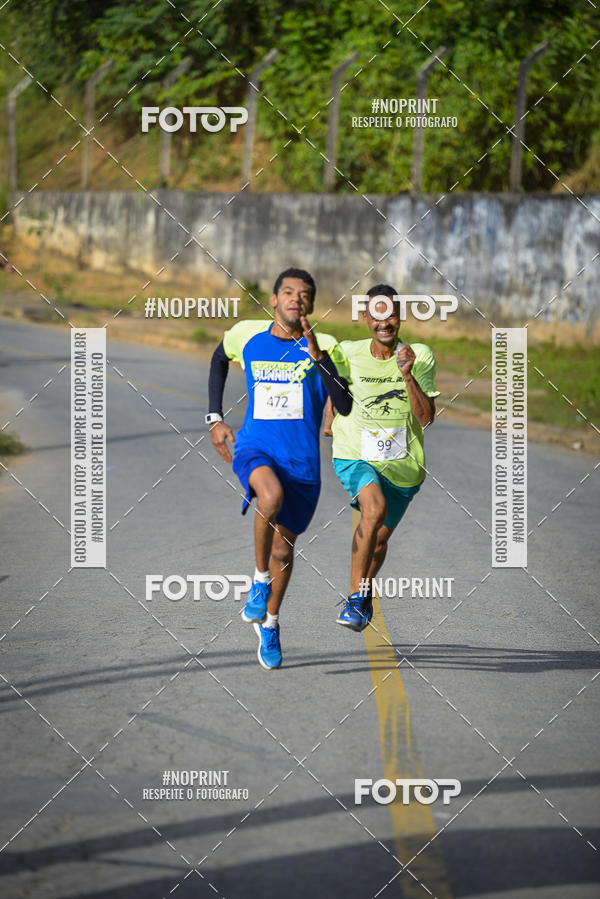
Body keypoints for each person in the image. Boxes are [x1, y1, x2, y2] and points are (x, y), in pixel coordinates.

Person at [207, 268, 352, 668]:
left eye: (305, 295)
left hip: (302, 461)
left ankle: (270, 623)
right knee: (268, 497)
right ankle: (258, 582)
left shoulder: (328, 347)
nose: (296, 299)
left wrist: (319, 358)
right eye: (288, 292)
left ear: (312, 305)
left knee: (283, 550)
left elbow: (344, 405)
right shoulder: (247, 335)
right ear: (273, 300)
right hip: (256, 448)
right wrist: (214, 418)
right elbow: (220, 358)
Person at [325, 283, 439, 631]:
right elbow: (336, 386)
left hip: (403, 467)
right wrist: (328, 418)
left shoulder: (419, 355)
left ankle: (363, 590)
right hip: (355, 454)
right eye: (376, 315)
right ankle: (357, 597)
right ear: (365, 319)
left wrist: (407, 375)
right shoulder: (349, 351)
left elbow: (426, 417)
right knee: (372, 511)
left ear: (400, 317)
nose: (384, 322)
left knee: (379, 540)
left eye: (390, 314)